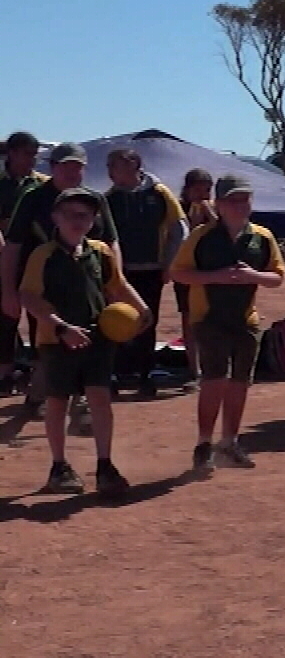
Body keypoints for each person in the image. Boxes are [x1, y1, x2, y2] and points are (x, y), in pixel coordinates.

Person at [19, 187, 150, 497]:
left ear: (93, 220)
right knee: (57, 401)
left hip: (98, 337)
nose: (77, 221)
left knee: (100, 399)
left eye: (85, 215)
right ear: (56, 217)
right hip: (56, 340)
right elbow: (29, 296)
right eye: (70, 215)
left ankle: (105, 465)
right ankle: (59, 467)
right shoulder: (43, 255)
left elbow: (117, 284)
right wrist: (61, 327)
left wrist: (143, 309)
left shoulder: (100, 251)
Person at [168, 175, 285, 471]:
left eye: (245, 199)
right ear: (218, 204)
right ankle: (204, 443)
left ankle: (229, 442)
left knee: (240, 382)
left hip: (245, 319)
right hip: (208, 318)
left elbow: (277, 276)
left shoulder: (262, 237)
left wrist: (253, 276)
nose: (240, 205)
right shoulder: (201, 236)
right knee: (214, 380)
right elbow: (178, 272)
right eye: (233, 200)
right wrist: (215, 276)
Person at [3, 142, 120, 422]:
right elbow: (12, 246)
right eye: (65, 166)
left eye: (77, 167)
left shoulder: (95, 199)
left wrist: (115, 283)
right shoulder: (33, 197)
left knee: (91, 339)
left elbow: (111, 242)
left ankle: (81, 403)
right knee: (48, 343)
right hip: (44, 286)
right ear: (53, 167)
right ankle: (40, 396)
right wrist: (7, 290)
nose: (71, 172)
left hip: (89, 284)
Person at [103, 147, 185, 401]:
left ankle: (145, 375)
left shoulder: (159, 193)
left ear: (134, 166)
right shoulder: (108, 199)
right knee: (115, 320)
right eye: (110, 166)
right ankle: (115, 374)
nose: (112, 172)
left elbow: (179, 228)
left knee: (147, 322)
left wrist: (169, 264)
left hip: (151, 270)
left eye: (117, 166)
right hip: (119, 274)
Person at [0, 130, 46, 395]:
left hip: (36, 260)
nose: (32, 160)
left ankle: (39, 376)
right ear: (12, 153)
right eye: (27, 154)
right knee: (5, 318)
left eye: (35, 155)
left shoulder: (41, 185)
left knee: (39, 316)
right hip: (5, 260)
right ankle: (5, 375)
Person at [172, 168, 218, 386]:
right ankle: (194, 369)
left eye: (206, 190)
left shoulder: (217, 210)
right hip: (187, 272)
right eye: (197, 190)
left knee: (212, 318)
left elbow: (223, 233)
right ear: (187, 190)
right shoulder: (178, 210)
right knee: (189, 319)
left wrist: (210, 215)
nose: (202, 195)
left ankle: (213, 366)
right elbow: (180, 240)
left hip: (211, 271)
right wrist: (193, 222)